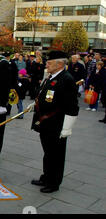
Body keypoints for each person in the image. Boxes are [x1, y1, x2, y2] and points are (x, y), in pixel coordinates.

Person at [31, 51, 79, 193]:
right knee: (48, 152)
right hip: (46, 123)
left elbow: (72, 106)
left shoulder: (66, 79)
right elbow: (43, 95)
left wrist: (67, 128)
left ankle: (54, 182)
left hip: (56, 125)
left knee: (56, 155)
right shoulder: (50, 77)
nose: (46, 64)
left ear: (59, 64)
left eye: (49, 62)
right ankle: (46, 177)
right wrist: (34, 105)